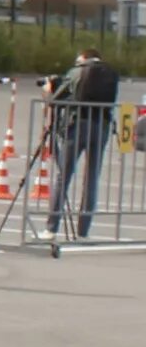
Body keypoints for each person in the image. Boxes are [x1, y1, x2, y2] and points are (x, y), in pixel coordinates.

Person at [46, 44, 122, 241]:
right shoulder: (111, 74)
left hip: (78, 124)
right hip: (102, 126)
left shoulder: (77, 72)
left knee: (64, 175)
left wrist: (48, 89)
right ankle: (83, 231)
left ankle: (51, 227)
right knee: (91, 179)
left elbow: (55, 99)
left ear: (83, 58)